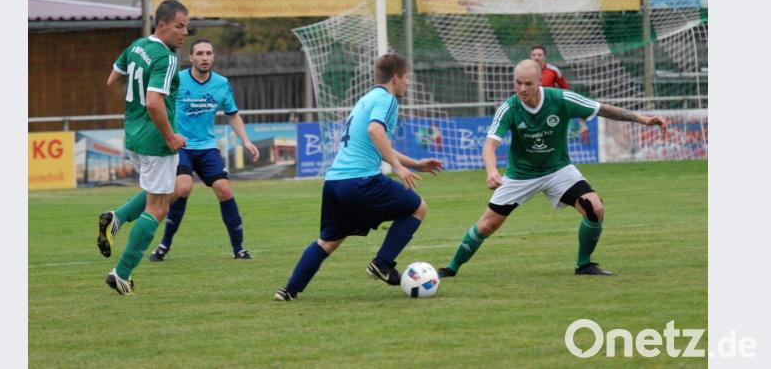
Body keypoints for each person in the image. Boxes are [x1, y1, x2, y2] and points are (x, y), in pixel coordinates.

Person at [437, 60, 667, 278]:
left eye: (528, 83)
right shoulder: (509, 108)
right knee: (487, 225)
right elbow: (490, 145)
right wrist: (491, 170)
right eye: (518, 83)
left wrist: (643, 119)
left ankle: (584, 264)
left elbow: (602, 109)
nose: (522, 88)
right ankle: (451, 268)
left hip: (558, 170)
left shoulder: (561, 99)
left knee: (594, 208)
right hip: (521, 175)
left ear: (540, 82)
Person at [274, 53, 444, 301]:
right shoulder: (387, 100)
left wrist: (415, 164)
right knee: (418, 208)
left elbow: (377, 142)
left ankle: (289, 290)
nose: (408, 83)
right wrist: (398, 167)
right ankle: (382, 264)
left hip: (334, 183)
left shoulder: (366, 99)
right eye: (407, 78)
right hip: (361, 181)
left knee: (327, 242)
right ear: (396, 78)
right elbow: (375, 131)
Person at [96, 0, 189, 295]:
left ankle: (117, 217)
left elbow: (112, 81)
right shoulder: (166, 57)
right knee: (158, 207)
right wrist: (171, 137)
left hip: (134, 136)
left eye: (186, 26)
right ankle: (121, 274)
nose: (184, 32)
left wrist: (133, 103)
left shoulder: (136, 47)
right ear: (161, 25)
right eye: (179, 26)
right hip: (155, 141)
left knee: (171, 189)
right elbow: (153, 101)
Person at [148, 39, 260, 263]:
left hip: (208, 147)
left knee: (224, 190)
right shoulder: (176, 79)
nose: (204, 57)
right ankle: (164, 245)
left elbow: (232, 114)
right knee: (184, 187)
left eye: (208, 53)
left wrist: (246, 141)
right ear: (191, 57)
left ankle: (239, 249)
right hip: (182, 146)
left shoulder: (221, 83)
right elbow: (156, 102)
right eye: (199, 53)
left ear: (213, 57)